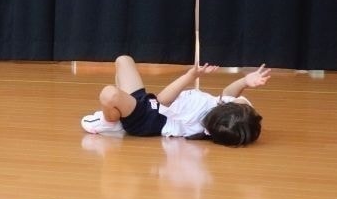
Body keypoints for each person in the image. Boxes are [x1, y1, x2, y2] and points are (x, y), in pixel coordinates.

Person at [80, 55, 271, 146]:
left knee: (109, 95)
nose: (242, 100)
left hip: (145, 119)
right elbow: (229, 94)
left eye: (240, 102)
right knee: (123, 60)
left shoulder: (195, 113)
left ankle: (111, 122)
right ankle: (120, 116)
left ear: (224, 109)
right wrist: (245, 81)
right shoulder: (223, 115)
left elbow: (162, 99)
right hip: (148, 105)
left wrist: (190, 76)